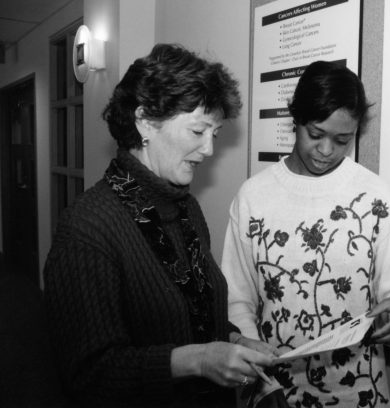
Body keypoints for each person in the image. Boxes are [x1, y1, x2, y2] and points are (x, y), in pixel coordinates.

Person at [43, 43, 277, 408]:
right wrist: (197, 360)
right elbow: (88, 376)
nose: (209, 150)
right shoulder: (87, 230)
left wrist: (233, 342)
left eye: (214, 134)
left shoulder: (186, 209)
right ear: (145, 122)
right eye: (198, 131)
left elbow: (192, 316)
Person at [221, 60, 390, 407]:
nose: (326, 150)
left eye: (342, 140)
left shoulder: (374, 194)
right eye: (315, 134)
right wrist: (257, 379)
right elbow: (236, 299)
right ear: (296, 121)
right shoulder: (253, 197)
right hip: (276, 389)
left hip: (360, 390)